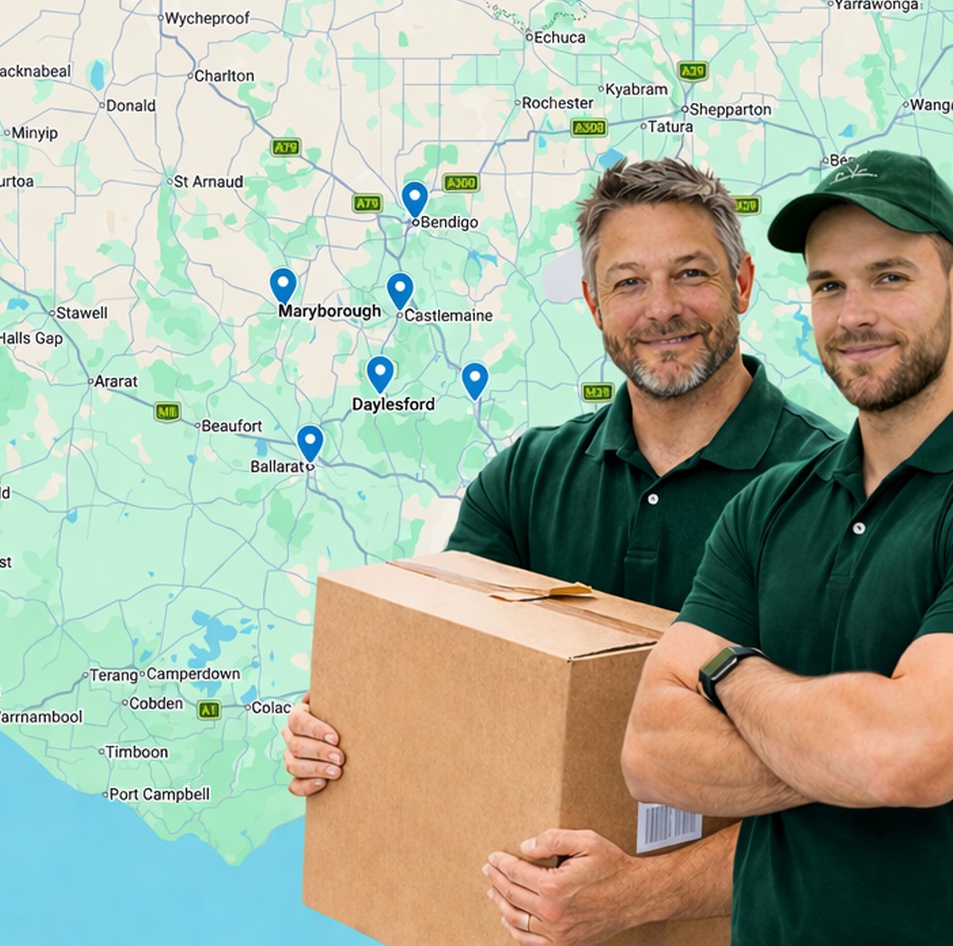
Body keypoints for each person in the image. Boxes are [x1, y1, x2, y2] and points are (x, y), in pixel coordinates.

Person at [284, 157, 840, 944]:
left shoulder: (836, 496)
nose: (661, 309)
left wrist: (641, 893)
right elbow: (438, 672)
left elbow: (860, 796)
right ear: (590, 303)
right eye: (626, 283)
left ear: (743, 284)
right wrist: (336, 728)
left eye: (690, 274)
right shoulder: (525, 477)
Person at [622, 149, 953, 945]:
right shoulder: (767, 506)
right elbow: (650, 754)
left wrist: (730, 671)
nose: (853, 315)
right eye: (827, 285)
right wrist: (841, 749)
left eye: (890, 277)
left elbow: (905, 756)